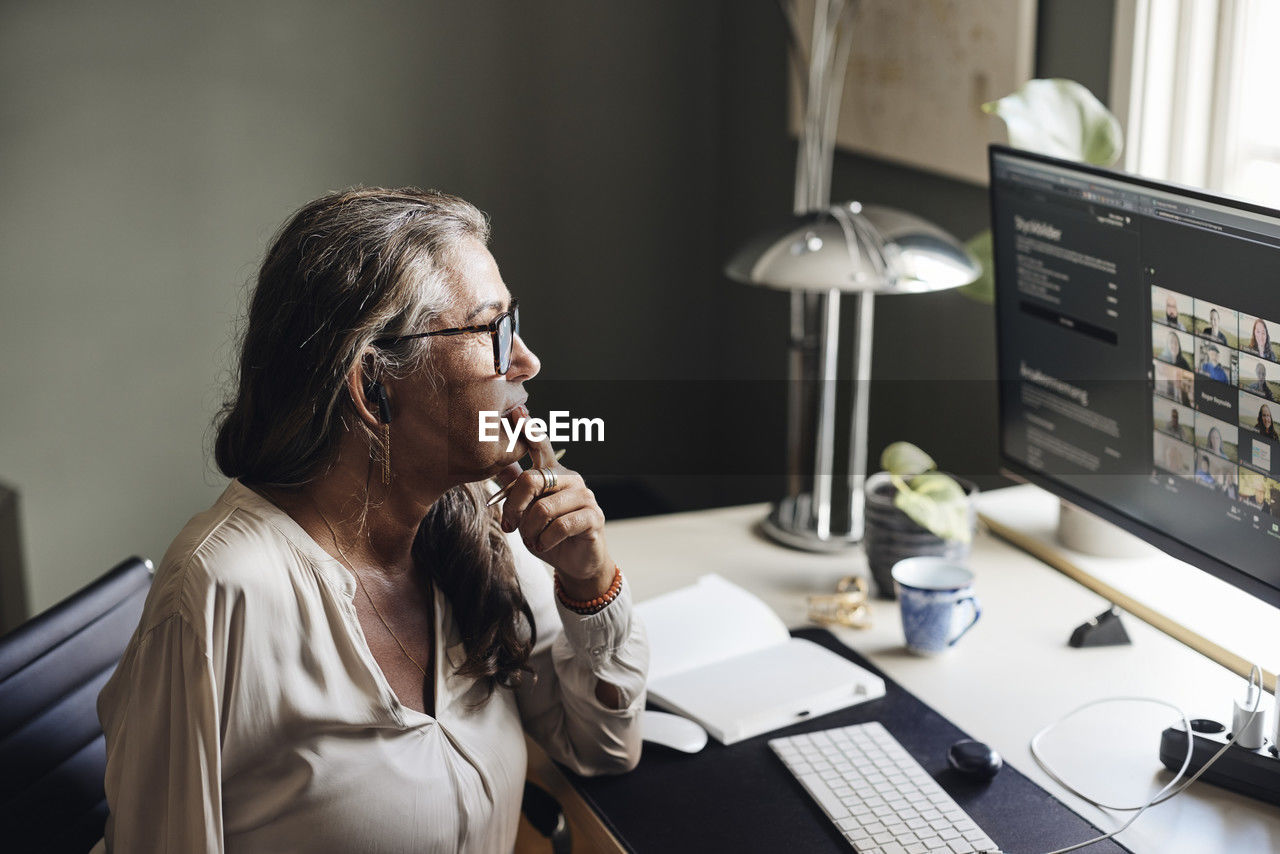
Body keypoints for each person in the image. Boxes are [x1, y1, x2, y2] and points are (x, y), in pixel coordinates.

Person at [93, 189, 648, 853]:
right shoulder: (221, 591)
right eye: (491, 329)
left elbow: (603, 748)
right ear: (372, 384)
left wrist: (590, 585)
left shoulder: (476, 524)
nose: (526, 361)